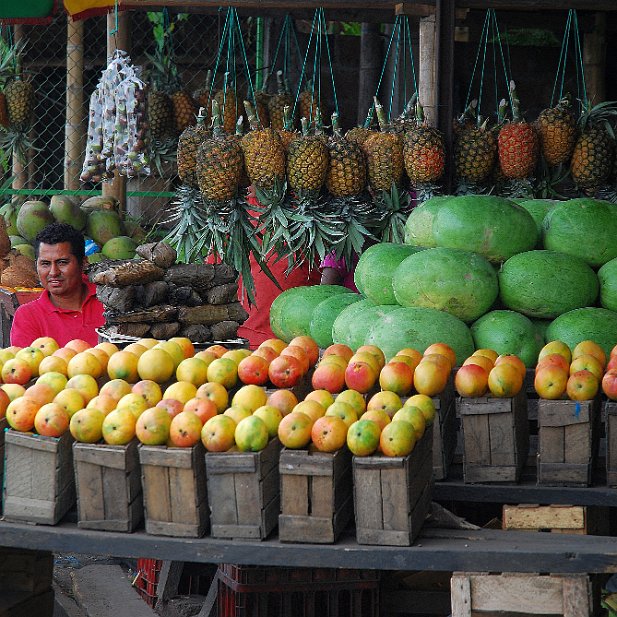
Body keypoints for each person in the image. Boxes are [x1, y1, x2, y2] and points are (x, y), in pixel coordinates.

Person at [10, 222, 105, 348]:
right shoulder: (28, 316)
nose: (53, 272)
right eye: (45, 264)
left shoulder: (109, 301)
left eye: (62, 262)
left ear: (83, 263)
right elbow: (26, 364)